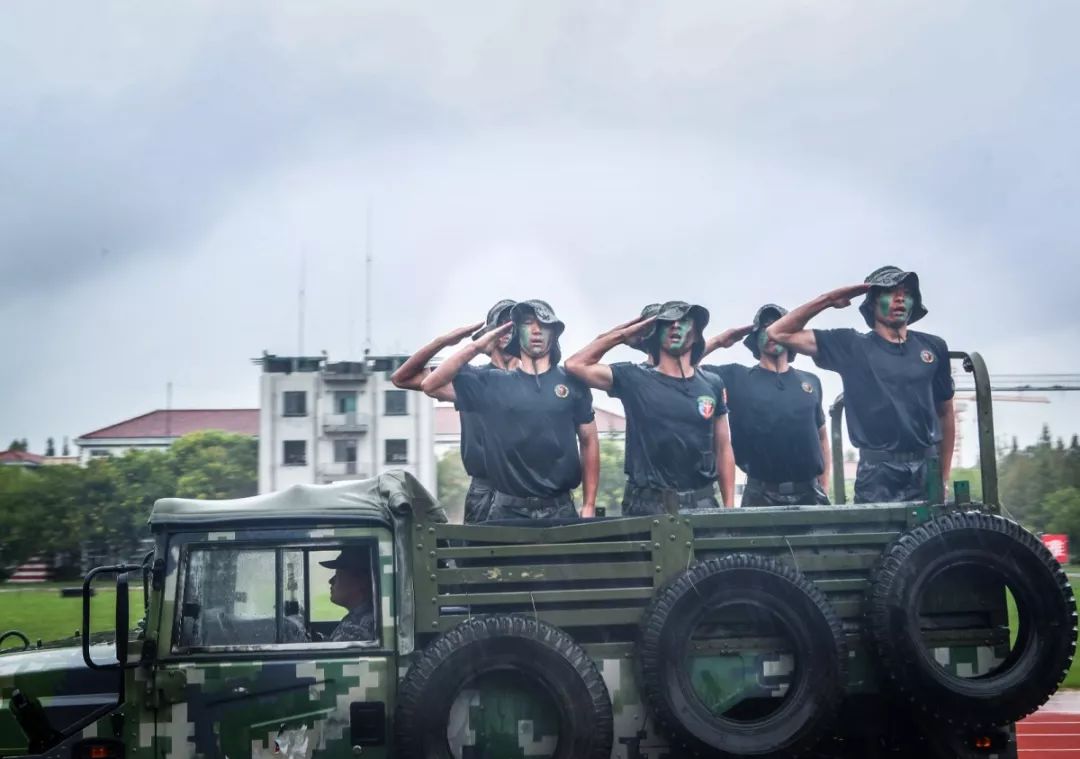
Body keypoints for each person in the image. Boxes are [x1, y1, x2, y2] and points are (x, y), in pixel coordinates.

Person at [767, 266, 955, 503]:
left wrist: (944, 477)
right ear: (873, 303)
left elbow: (946, 413)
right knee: (879, 540)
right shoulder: (851, 345)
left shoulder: (933, 347)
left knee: (935, 539)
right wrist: (827, 300)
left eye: (906, 293)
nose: (899, 298)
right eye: (889, 292)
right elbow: (777, 332)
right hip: (878, 474)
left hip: (927, 470)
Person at [422, 299, 600, 519]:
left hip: (560, 507)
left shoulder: (572, 382)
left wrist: (589, 504)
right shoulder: (493, 382)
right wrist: (476, 346)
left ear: (554, 334)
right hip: (507, 509)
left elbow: (589, 440)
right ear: (515, 332)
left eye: (544, 325)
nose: (536, 331)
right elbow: (430, 384)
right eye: (527, 323)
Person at [566, 300, 735, 514]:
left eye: (683, 321)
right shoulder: (634, 378)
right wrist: (622, 335)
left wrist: (729, 509)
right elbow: (575, 365)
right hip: (646, 505)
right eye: (667, 322)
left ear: (695, 332)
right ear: (655, 332)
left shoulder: (712, 383)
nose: (675, 326)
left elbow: (723, 447)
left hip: (701, 504)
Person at [391, 300, 518, 523]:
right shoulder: (470, 379)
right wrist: (444, 341)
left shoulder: (537, 380)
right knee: (478, 555)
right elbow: (402, 378)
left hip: (527, 486)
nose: (507, 330)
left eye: (513, 324)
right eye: (501, 324)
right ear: (488, 333)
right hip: (485, 487)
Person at [699, 305, 831, 506]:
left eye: (778, 326)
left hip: (810, 494)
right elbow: (686, 365)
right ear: (755, 338)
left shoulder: (810, 381)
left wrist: (824, 487)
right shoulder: (736, 377)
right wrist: (718, 341)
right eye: (765, 328)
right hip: (760, 495)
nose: (771, 333)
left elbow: (822, 437)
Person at [321, 548, 376, 642]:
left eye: (338, 574)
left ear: (361, 581)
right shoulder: (361, 618)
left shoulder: (355, 629)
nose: (331, 581)